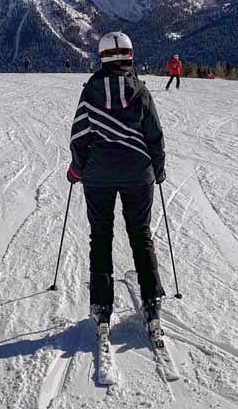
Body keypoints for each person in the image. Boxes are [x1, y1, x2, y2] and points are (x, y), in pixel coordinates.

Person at [67, 31, 167, 343]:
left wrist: (76, 169)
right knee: (140, 235)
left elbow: (79, 136)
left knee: (101, 236)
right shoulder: (141, 91)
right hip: (139, 175)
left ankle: (101, 305)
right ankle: (151, 302)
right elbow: (155, 136)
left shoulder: (91, 92)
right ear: (130, 56)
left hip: (98, 177)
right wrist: (159, 171)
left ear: (102, 57)